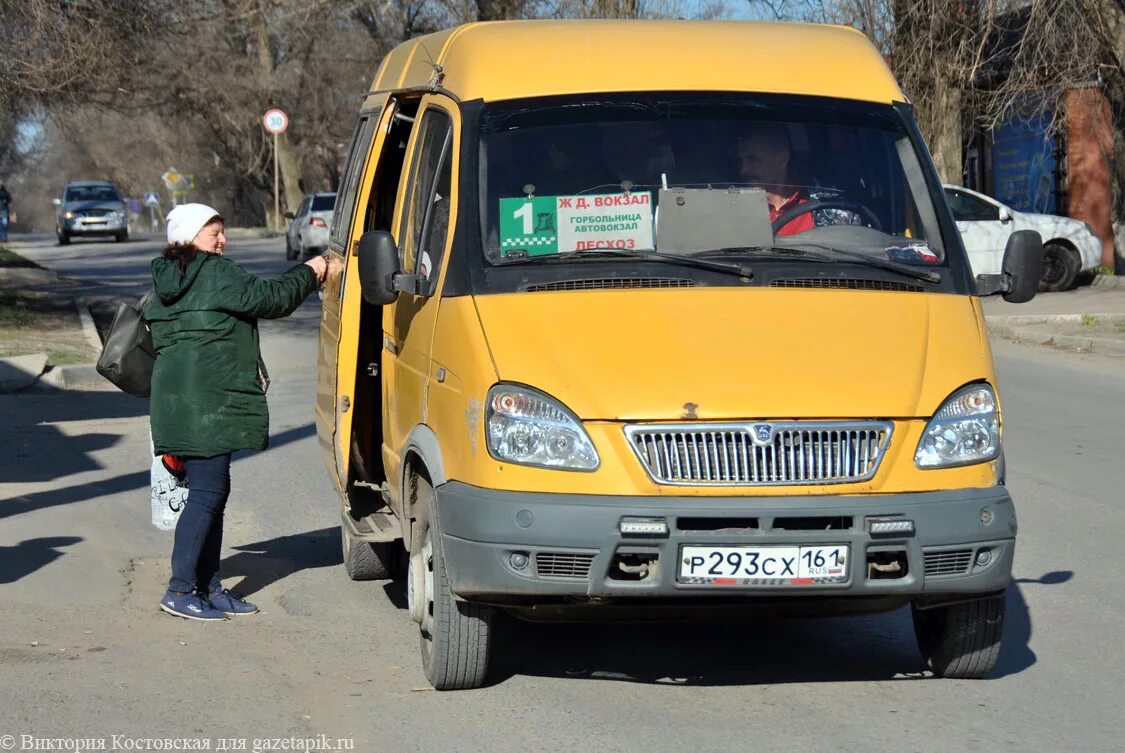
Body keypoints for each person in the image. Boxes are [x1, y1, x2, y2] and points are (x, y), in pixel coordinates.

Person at [146, 203, 341, 621]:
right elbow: (271, 300)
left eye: (222, 231)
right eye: (212, 232)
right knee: (208, 494)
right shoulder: (213, 272)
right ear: (188, 237)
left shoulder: (166, 280)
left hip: (177, 403)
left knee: (211, 492)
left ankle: (208, 586)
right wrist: (313, 270)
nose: (222, 240)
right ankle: (180, 589)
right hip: (208, 405)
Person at [735, 124, 814, 236]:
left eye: (753, 159)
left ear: (782, 160)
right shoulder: (732, 207)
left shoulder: (819, 203)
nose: (743, 169)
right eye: (740, 161)